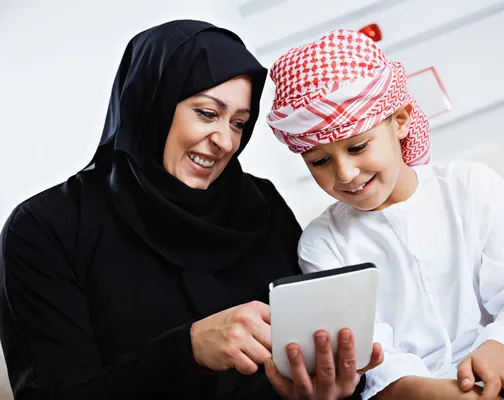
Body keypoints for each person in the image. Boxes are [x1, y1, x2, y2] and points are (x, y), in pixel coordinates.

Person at [0, 21, 383, 399]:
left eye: (238, 123)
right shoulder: (44, 228)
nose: (224, 141)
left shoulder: (259, 202)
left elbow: (315, 350)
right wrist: (190, 351)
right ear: (153, 101)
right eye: (206, 113)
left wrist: (333, 385)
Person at [266, 29, 504, 399]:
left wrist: (500, 349)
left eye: (358, 147)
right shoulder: (322, 243)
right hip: (415, 390)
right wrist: (433, 391)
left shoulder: (470, 186)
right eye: (320, 161)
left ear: (401, 120)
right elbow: (369, 352)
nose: (343, 173)